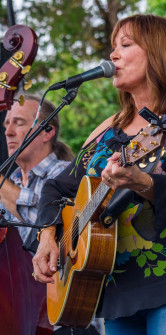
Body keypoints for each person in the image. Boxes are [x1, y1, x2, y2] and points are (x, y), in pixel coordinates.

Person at [32, 14, 166, 335]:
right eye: (113, 46)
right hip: (114, 290)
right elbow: (57, 187)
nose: (113, 55)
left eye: (125, 45)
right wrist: (47, 236)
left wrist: (139, 181)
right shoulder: (107, 129)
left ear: (159, 53)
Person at [0, 94, 74, 335]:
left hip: (62, 320)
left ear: (46, 132)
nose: (8, 131)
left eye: (19, 123)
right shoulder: (7, 184)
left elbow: (39, 224)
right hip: (21, 316)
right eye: (6, 124)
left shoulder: (65, 173)